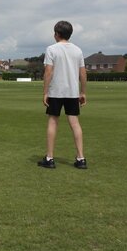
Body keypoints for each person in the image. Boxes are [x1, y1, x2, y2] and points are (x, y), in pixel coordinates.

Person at [39, 20, 87, 170]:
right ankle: (81, 159)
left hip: (56, 92)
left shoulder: (51, 49)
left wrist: (45, 92)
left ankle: (50, 158)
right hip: (72, 92)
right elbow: (83, 73)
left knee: (53, 122)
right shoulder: (78, 50)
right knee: (75, 123)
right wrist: (83, 92)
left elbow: (48, 71)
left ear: (57, 34)